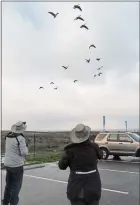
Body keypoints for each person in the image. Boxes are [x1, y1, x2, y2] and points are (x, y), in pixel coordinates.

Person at [58, 124, 103, 205]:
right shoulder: (94, 147)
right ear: (87, 135)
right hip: (93, 188)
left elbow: (61, 166)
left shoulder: (69, 150)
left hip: (77, 189)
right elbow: (101, 155)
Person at [2, 121, 28, 205]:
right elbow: (24, 152)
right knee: (16, 186)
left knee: (8, 185)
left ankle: (5, 201)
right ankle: (13, 202)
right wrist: (26, 146)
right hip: (17, 165)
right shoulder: (20, 138)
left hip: (8, 164)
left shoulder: (8, 136)